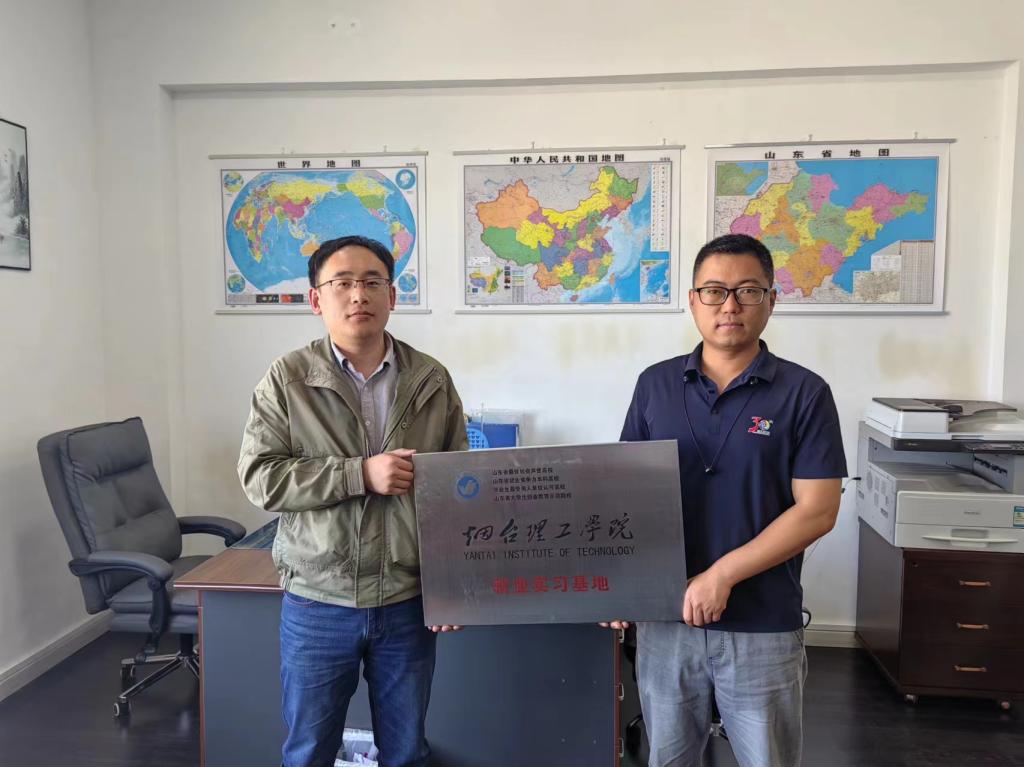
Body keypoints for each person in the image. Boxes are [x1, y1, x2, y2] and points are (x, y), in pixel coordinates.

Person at [606, 233, 846, 767]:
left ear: (771, 300)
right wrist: (619, 587)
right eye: (714, 291)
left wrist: (722, 576)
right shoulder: (655, 385)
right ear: (693, 301)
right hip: (667, 621)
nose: (729, 305)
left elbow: (818, 509)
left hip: (763, 624)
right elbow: (625, 495)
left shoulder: (804, 392)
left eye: (747, 291)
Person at [237, 235, 467, 767]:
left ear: (393, 295)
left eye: (371, 282)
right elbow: (260, 478)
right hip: (319, 598)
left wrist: (451, 586)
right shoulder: (287, 379)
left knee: (406, 751)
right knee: (308, 751)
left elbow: (457, 490)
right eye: (342, 283)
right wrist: (358, 474)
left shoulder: (430, 379)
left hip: (407, 599)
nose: (358, 294)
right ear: (316, 299)